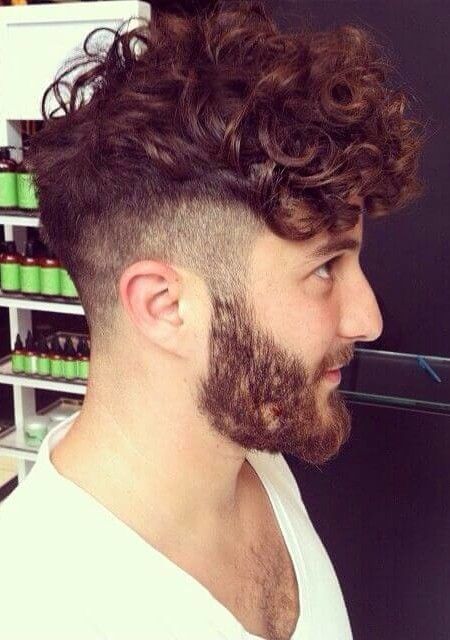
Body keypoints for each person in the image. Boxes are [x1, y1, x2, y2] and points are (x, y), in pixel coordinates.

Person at [0, 1, 425, 638]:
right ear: (164, 306)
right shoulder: (36, 609)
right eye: (324, 267)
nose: (368, 319)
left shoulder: (254, 453)